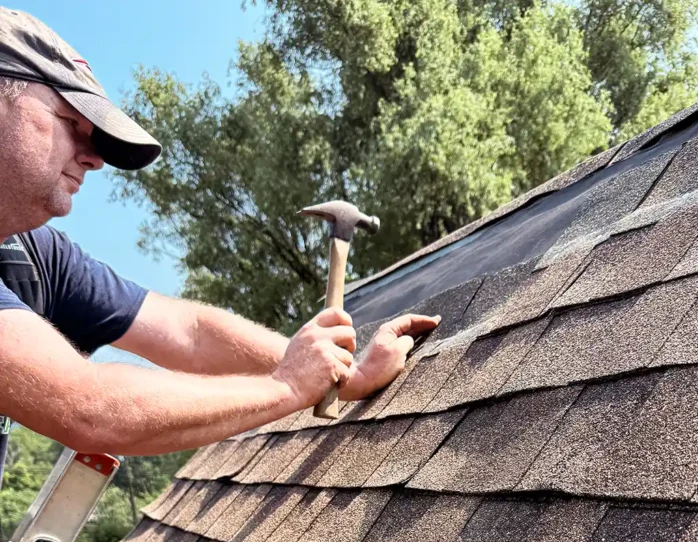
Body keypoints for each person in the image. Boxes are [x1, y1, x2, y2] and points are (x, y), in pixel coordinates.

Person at [0, 8, 438, 463]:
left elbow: (189, 333)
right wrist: (286, 386)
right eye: (73, 125)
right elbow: (90, 410)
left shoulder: (30, 255)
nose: (94, 159)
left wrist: (344, 374)